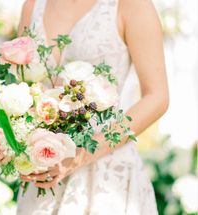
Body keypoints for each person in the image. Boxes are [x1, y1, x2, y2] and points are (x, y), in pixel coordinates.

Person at [17, 0, 169, 214]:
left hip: (106, 176)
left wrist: (81, 155)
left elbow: (157, 97)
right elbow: (21, 89)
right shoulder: (32, 6)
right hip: (45, 171)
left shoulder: (131, 5)